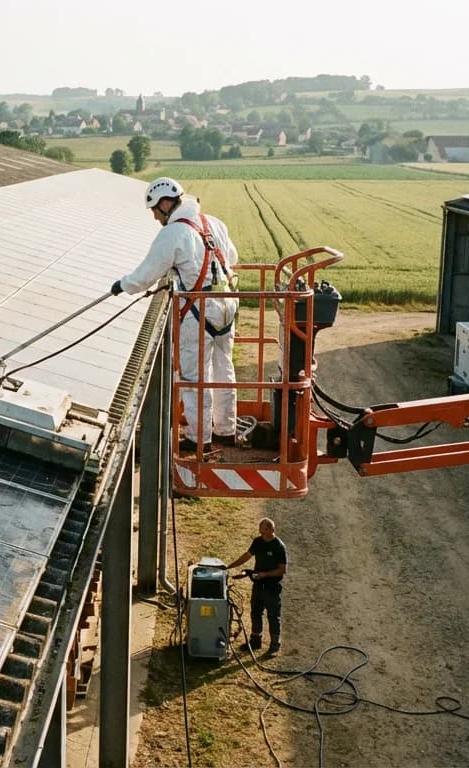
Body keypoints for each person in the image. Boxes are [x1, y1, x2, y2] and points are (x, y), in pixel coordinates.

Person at [111, 177, 239, 453]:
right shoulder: (213, 223)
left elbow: (147, 274)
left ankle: (199, 439)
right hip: (227, 305)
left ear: (166, 204)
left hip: (199, 309)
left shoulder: (173, 233)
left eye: (156, 212)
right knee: (223, 368)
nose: (156, 218)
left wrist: (123, 285)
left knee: (195, 377)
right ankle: (226, 430)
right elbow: (232, 257)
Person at [226, 517, 287, 653]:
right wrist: (230, 567)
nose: (262, 534)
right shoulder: (257, 542)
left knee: (273, 615)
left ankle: (274, 644)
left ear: (272, 530)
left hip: (272, 587)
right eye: (261, 531)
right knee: (255, 612)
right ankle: (255, 641)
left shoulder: (279, 547)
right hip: (258, 585)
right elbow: (246, 556)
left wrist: (265, 574)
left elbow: (282, 570)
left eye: (265, 531)